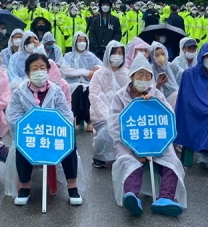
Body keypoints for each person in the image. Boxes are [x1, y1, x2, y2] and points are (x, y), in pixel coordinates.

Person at [109, 56, 186, 217]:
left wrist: (155, 105)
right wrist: (135, 150)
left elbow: (168, 118)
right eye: (140, 75)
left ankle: (165, 198)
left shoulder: (156, 94)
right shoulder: (120, 96)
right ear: (132, 76)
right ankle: (132, 197)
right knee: (129, 161)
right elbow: (115, 126)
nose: (144, 80)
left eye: (147, 76)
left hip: (156, 142)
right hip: (128, 143)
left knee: (172, 161)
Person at [5, 51, 83, 206]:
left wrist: (54, 128)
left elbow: (66, 114)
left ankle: (72, 187)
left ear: (48, 70)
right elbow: (13, 116)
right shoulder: (19, 92)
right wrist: (31, 127)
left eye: (42, 67)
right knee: (23, 144)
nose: (39, 72)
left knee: (69, 144)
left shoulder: (56, 91)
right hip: (31, 134)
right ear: (27, 73)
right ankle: (25, 188)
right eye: (34, 68)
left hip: (53, 135)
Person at [173, 42, 208, 170]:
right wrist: (207, 108)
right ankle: (205, 152)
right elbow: (187, 99)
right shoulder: (189, 75)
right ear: (201, 57)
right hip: (194, 111)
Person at [90, 41, 128, 169]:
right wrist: (109, 115)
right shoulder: (99, 74)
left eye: (120, 53)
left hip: (124, 113)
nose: (118, 56)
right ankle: (99, 156)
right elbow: (95, 97)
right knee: (108, 128)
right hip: (101, 114)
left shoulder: (127, 74)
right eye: (114, 53)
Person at [58, 31, 101, 132]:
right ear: (75, 42)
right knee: (78, 88)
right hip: (72, 83)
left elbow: (102, 65)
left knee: (88, 89)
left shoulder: (91, 56)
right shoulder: (69, 56)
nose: (82, 43)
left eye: (84, 40)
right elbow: (65, 70)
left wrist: (96, 69)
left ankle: (89, 121)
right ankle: (75, 116)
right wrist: (85, 72)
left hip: (87, 83)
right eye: (79, 40)